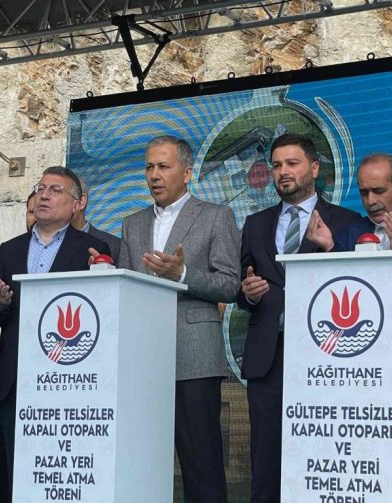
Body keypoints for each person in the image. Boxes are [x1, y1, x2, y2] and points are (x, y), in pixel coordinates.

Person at [116, 135, 240, 502]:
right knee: (140, 458)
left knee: (201, 463)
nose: (154, 175)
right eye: (149, 167)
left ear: (187, 173)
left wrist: (182, 274)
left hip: (194, 355)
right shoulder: (132, 224)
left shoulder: (216, 216)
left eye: (163, 166)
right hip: (143, 359)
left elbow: (229, 284)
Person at [237, 133, 359, 502]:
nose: (283, 172)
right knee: (266, 461)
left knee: (320, 456)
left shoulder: (346, 221)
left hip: (325, 356)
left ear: (315, 168)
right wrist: (248, 292)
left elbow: (360, 285)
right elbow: (242, 287)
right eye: (276, 165)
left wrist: (331, 249)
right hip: (268, 357)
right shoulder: (255, 223)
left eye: (292, 163)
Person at [0, 166, 110, 503]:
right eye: (41, 188)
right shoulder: (9, 249)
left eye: (56, 190)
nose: (44, 195)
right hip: (14, 379)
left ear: (77, 204)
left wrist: (103, 276)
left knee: (54, 477)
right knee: (10, 475)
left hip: (66, 381)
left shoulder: (93, 249)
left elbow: (101, 316)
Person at [307, 153, 392, 251]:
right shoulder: (349, 233)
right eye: (364, 193)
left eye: (379, 191)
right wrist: (330, 247)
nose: (371, 201)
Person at [71, 175, 121, 263]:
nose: (46, 197)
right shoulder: (46, 244)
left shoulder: (114, 245)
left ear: (81, 201)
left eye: (57, 192)